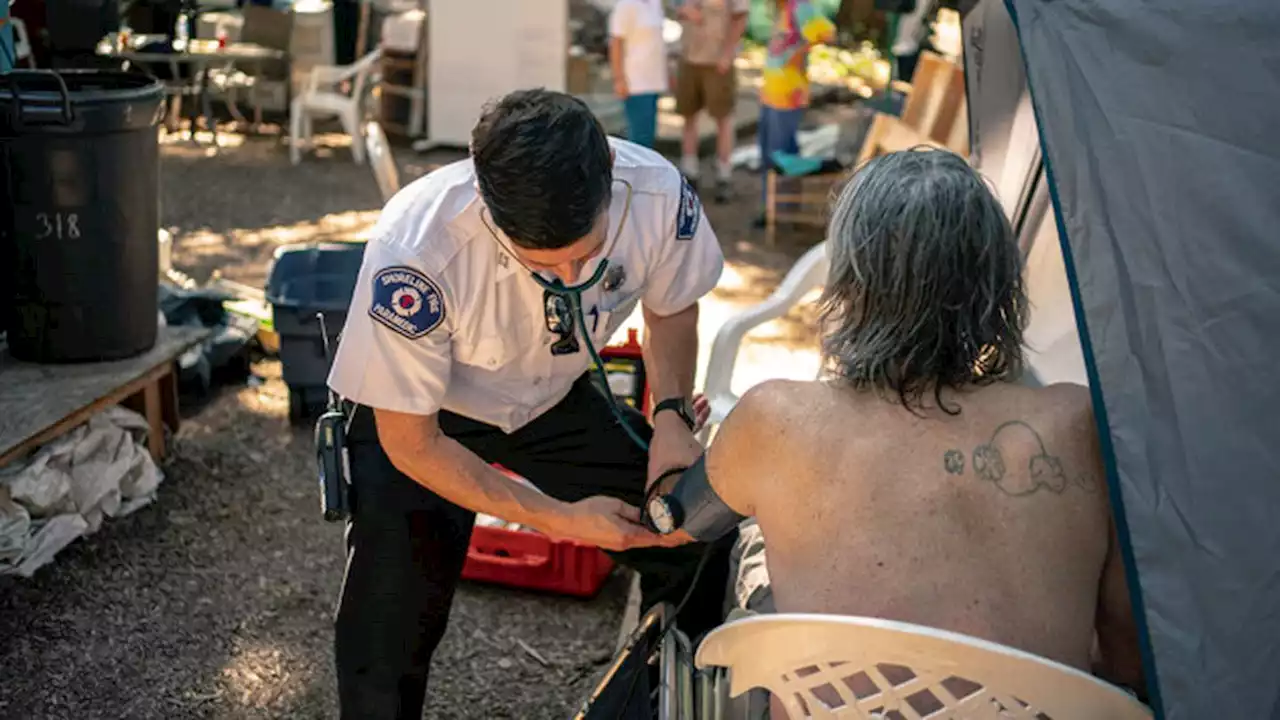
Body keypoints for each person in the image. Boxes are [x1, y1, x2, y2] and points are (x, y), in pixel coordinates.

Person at [326, 88, 736, 718]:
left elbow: (673, 305)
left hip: (550, 393)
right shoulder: (416, 249)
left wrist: (673, 418)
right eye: (543, 265)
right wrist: (558, 518)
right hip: (427, 413)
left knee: (694, 531)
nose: (570, 281)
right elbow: (411, 442)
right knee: (387, 628)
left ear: (608, 177)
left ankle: (664, 690)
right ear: (490, 211)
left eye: (587, 256)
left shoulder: (657, 195)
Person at [694, 149, 1148, 705]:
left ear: (849, 284)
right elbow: (1129, 655)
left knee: (749, 561)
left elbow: (681, 523)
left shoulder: (774, 419)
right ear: (1000, 284)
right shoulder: (1081, 425)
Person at [755, 0, 835, 226]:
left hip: (788, 96)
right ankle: (770, 208)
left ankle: (783, 212)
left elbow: (826, 32)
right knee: (768, 153)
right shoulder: (781, 9)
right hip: (772, 93)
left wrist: (800, 53)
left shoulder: (799, 6)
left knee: (781, 155)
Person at [674, 0, 749, 203]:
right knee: (688, 115)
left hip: (718, 61)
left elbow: (740, 17)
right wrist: (683, 10)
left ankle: (724, 174)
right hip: (689, 57)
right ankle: (690, 170)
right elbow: (674, 6)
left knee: (722, 118)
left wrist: (728, 52)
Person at [609, 0, 669, 149]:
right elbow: (616, 43)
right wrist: (619, 79)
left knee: (649, 135)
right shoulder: (626, 5)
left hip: (655, 81)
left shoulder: (656, 3)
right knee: (639, 139)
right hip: (635, 82)